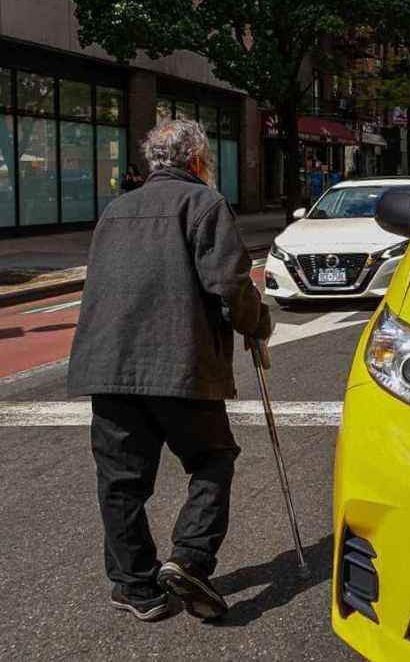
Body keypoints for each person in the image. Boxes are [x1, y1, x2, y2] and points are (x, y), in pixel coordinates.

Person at [67, 119, 272, 623]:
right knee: (212, 458)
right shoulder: (204, 204)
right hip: (179, 363)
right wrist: (256, 322)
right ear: (198, 160)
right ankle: (190, 558)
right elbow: (229, 282)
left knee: (121, 481)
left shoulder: (116, 210)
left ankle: (137, 587)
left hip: (108, 366)